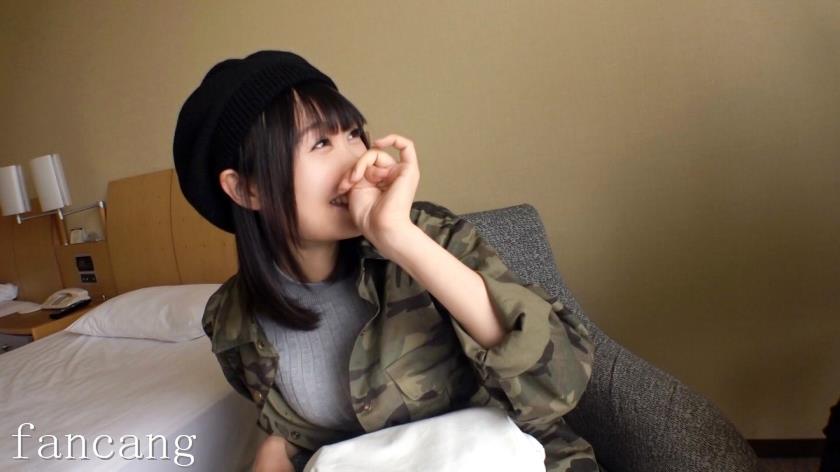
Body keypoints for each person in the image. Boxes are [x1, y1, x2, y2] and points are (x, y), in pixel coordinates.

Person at [172, 50, 599, 472]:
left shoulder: (428, 235)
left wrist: (399, 238)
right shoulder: (230, 321)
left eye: (353, 134)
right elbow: (313, 429)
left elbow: (560, 384)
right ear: (247, 190)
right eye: (320, 143)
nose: (355, 162)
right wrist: (278, 447)